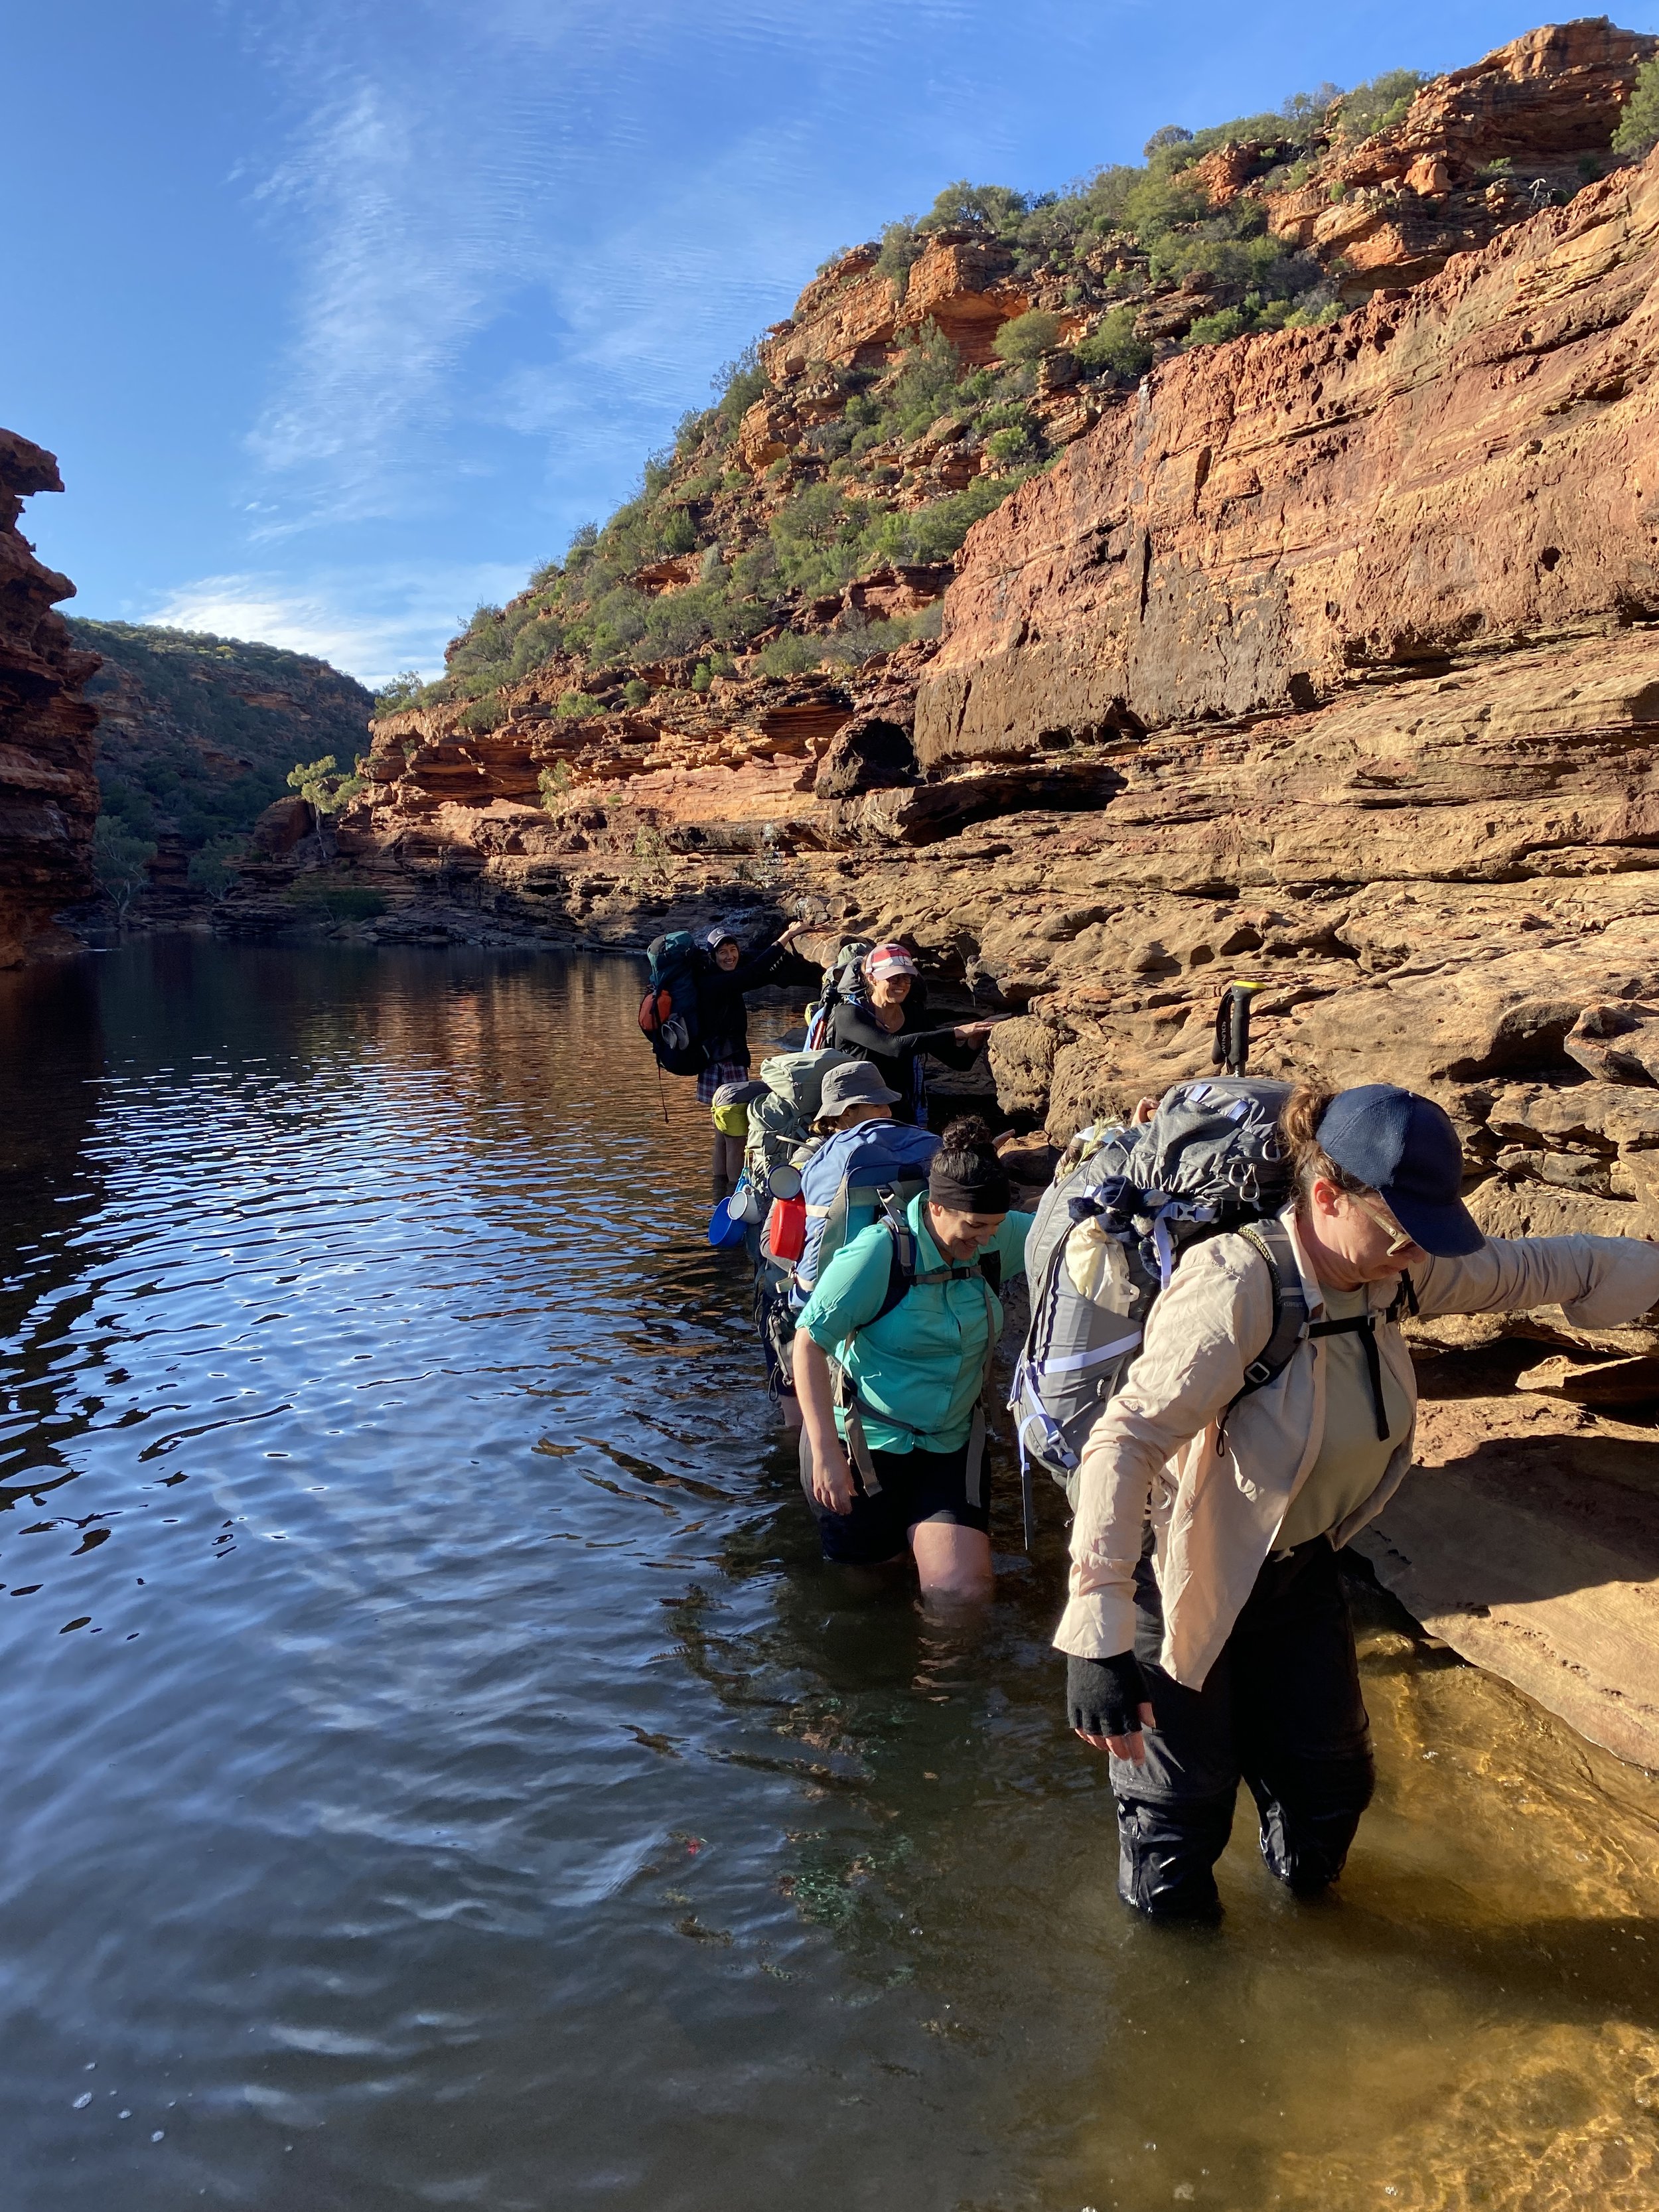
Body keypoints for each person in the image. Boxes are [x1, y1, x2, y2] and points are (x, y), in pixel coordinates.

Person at [1057, 1080, 1659, 1922]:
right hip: (1182, 1578)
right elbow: (1125, 1441)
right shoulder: (1235, 1283)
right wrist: (1098, 1638)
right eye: (1401, 1231)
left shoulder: (1390, 1274)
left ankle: (1311, 1941)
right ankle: (1178, 1979)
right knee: (1178, 1824)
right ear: (1327, 1196)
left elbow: (1528, 1268)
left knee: (1329, 1786)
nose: (1415, 1252)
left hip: (1298, 1573)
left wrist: (1639, 1270)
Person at [792, 1115, 1033, 1599]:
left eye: (995, 1227)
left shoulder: (992, 1236)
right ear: (936, 1206)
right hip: (862, 1449)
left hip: (950, 1446)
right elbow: (809, 1343)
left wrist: (1127, 1147)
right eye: (975, 1227)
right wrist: (826, 1455)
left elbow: (1069, 1224)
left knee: (962, 1597)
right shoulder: (877, 1252)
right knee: (874, 1597)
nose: (986, 1239)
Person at [698, 921, 819, 1194]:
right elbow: (754, 972)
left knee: (721, 1132)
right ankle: (735, 1195)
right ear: (712, 956)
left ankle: (719, 1192)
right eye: (722, 952)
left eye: (733, 950)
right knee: (736, 1137)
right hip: (727, 1062)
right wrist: (787, 936)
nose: (729, 956)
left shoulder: (711, 979)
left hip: (712, 1061)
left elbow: (757, 973)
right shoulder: (718, 983)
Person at [823, 942, 995, 1126]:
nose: (902, 985)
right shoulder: (849, 1014)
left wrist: (978, 1033)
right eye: (894, 979)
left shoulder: (913, 1013)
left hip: (901, 1116)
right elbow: (894, 1046)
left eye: (907, 978)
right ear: (872, 978)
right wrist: (957, 1032)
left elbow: (959, 1061)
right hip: (856, 1118)